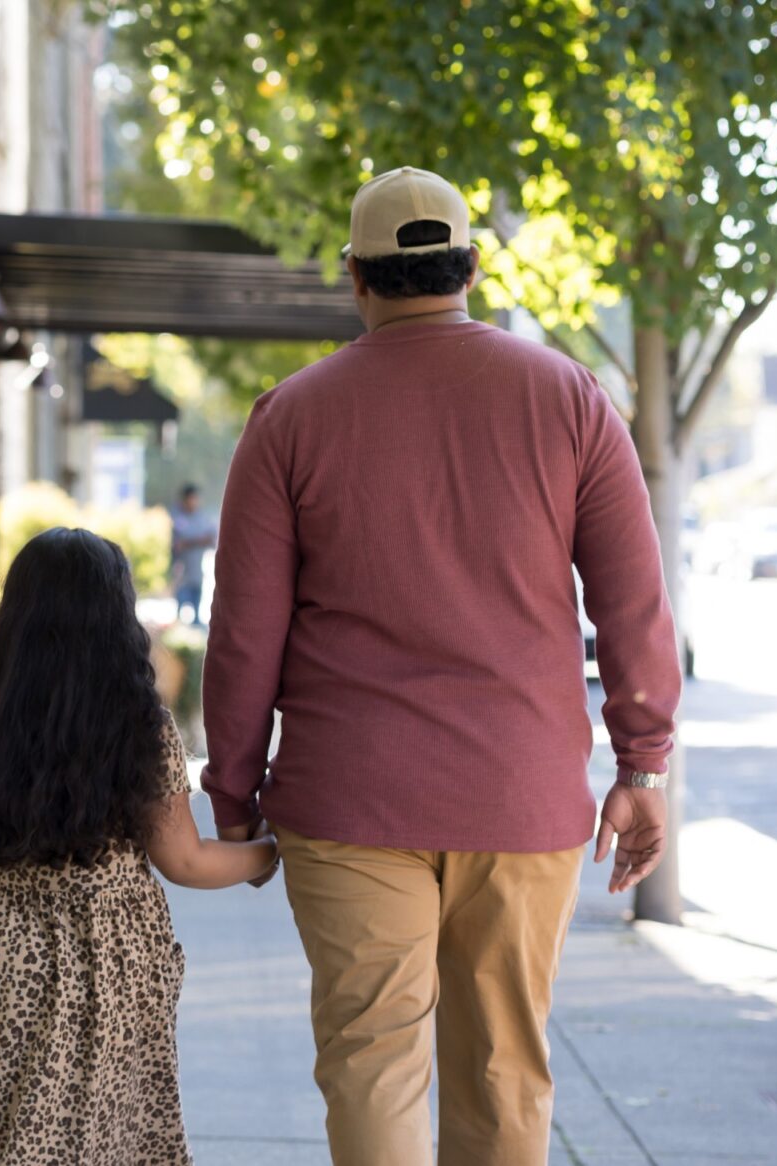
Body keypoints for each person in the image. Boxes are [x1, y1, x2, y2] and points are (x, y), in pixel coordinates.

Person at [201, 167, 680, 1166]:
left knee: (372, 1060)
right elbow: (634, 602)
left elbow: (245, 628)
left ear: (355, 278)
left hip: (349, 801)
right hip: (520, 791)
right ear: (468, 267)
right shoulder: (568, 398)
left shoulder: (288, 417)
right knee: (506, 1067)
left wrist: (234, 791)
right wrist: (642, 765)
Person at [0, 527, 281, 1166]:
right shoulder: (141, 731)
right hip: (113, 968)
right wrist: (274, 852)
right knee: (109, 1143)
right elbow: (187, 862)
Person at [169, 484, 219, 626]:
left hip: (197, 571)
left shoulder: (203, 517)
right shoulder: (178, 517)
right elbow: (178, 544)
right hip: (181, 572)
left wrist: (190, 542)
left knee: (196, 614)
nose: (194, 502)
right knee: (180, 611)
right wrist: (198, 540)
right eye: (191, 499)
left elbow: (211, 539)